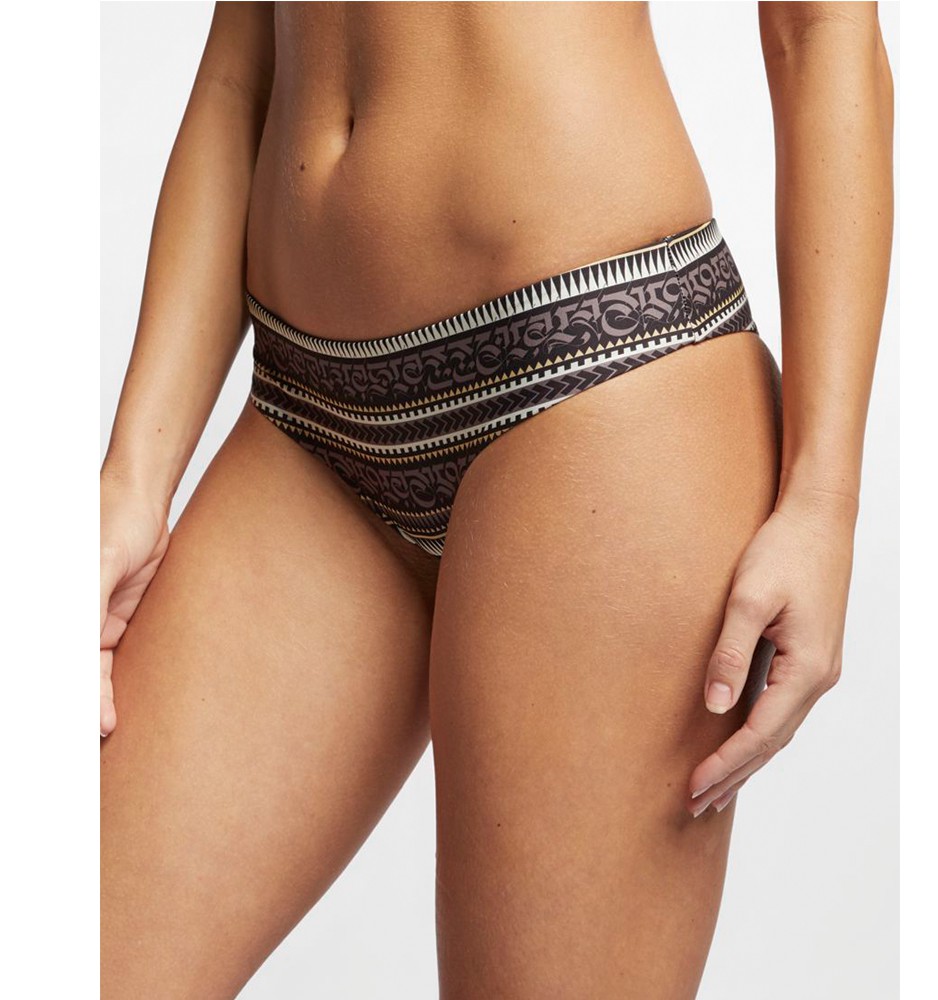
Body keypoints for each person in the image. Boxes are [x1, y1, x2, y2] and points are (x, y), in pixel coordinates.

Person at [100, 3, 894, 997]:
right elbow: (239, 66)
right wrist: (133, 479)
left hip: (598, 376)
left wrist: (824, 499)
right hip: (308, 418)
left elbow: (820, 33)